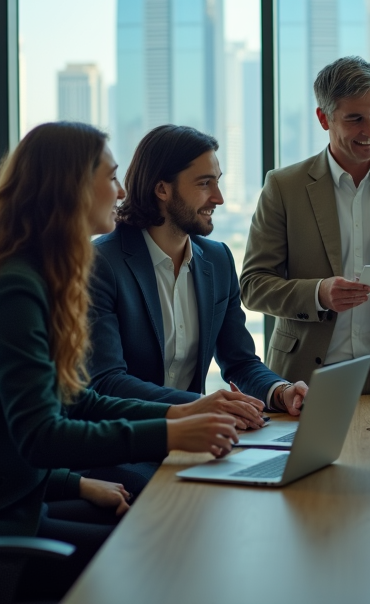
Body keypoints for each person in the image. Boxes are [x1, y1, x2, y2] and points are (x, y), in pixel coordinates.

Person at [0, 122, 242, 599]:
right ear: (71, 186)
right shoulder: (13, 286)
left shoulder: (40, 274)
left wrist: (179, 412)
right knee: (163, 545)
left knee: (160, 520)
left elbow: (72, 401)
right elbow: (40, 436)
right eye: (111, 176)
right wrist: (172, 430)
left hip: (19, 493)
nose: (119, 191)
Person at [84, 126, 307, 491]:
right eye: (205, 183)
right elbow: (107, 382)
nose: (218, 197)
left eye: (218, 182)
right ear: (162, 189)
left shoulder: (217, 259)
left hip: (194, 447)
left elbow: (239, 361)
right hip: (125, 453)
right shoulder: (102, 263)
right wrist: (202, 406)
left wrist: (279, 391)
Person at [241, 56, 370, 394]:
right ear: (323, 118)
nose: (369, 131)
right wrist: (319, 294)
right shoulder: (284, 187)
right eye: (355, 118)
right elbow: (253, 285)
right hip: (305, 380)